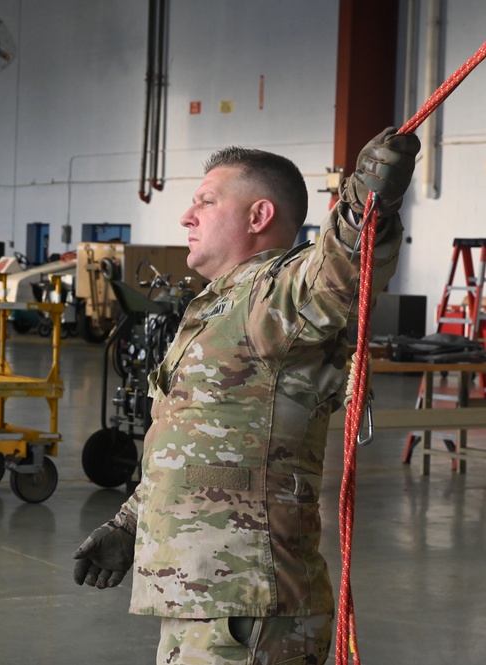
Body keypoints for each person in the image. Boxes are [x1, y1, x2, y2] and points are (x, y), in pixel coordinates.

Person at [72, 127, 421, 664]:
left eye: (205, 202)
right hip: (206, 600)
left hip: (247, 609)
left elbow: (338, 269)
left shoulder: (272, 295)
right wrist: (131, 523)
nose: (187, 217)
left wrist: (367, 199)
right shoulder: (218, 306)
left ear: (258, 216)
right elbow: (192, 447)